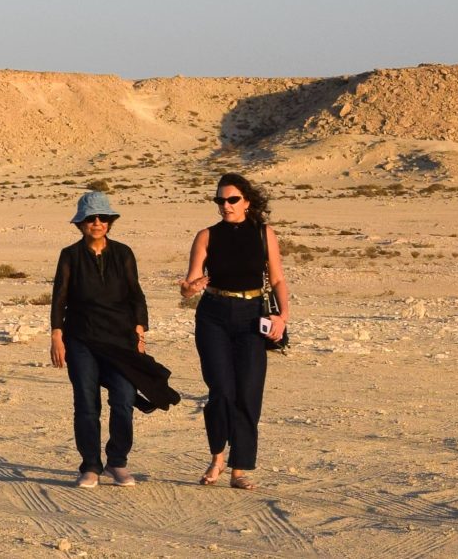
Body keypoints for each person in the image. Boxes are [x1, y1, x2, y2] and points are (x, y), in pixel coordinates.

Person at [50, 190, 180, 488]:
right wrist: (57, 336)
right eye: (91, 218)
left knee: (122, 399)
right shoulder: (69, 255)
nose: (97, 223)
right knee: (86, 402)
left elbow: (136, 294)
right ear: (81, 223)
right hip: (81, 339)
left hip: (120, 341)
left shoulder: (123, 253)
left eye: (103, 218)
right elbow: (60, 298)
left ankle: (117, 462)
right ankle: (91, 466)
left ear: (109, 222)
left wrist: (140, 331)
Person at [180, 172, 291, 489]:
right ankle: (217, 457)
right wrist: (191, 287)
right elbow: (188, 286)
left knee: (248, 392)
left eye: (232, 199)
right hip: (213, 315)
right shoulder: (206, 236)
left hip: (252, 316)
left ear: (247, 201)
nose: (225, 205)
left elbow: (279, 279)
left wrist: (282, 316)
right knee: (221, 391)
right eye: (220, 200)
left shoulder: (263, 234)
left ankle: (239, 469)